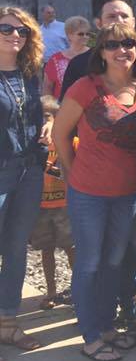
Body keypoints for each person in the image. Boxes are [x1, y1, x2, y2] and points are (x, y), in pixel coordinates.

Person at [53, 22, 136, 361]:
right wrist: (71, 172)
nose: (121, 50)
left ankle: (108, 326)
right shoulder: (85, 88)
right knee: (90, 262)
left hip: (129, 193)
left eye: (128, 43)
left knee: (114, 261)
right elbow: (60, 134)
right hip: (88, 194)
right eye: (112, 45)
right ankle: (91, 335)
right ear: (101, 52)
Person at [0, 6, 46, 361]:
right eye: (6, 29)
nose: (15, 36)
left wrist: (49, 119)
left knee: (17, 248)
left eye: (22, 31)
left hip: (30, 170)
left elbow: (38, 108)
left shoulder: (31, 73)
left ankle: (7, 323)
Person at [60, 0, 136, 98]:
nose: (119, 20)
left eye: (124, 16)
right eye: (111, 16)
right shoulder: (79, 64)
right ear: (99, 24)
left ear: (133, 22)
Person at [29, 96, 75, 310]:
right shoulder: (31, 144)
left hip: (65, 206)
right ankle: (51, 291)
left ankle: (78, 290)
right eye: (39, 118)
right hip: (41, 207)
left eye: (47, 117)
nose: (43, 123)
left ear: (58, 118)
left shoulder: (69, 141)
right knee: (46, 250)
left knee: (71, 248)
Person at [43, 16, 91, 99]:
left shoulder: (94, 56)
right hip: (62, 107)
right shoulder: (55, 59)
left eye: (87, 34)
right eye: (81, 34)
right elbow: (47, 87)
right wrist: (49, 107)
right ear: (69, 35)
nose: (85, 37)